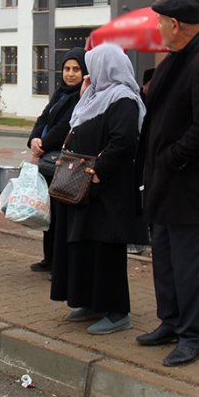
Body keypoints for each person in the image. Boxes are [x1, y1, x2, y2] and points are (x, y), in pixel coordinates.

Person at [137, 0, 199, 366]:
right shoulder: (175, 60)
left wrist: (173, 158)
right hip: (165, 182)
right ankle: (171, 322)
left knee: (190, 264)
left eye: (161, 22)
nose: (157, 28)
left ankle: (193, 336)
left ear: (175, 25)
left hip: (188, 184)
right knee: (166, 259)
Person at [49, 43, 143, 336]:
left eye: (92, 66)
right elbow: (75, 126)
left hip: (107, 192)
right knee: (85, 245)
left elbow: (123, 141)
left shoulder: (124, 99)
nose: (88, 73)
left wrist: (99, 173)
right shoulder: (94, 96)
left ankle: (117, 311)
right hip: (84, 190)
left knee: (105, 248)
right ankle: (92, 302)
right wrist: (85, 93)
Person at [27, 47, 87, 272]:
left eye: (76, 69)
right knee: (48, 214)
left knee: (63, 218)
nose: (71, 74)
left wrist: (41, 146)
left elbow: (65, 127)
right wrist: (33, 138)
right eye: (67, 69)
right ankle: (49, 258)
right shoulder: (59, 93)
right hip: (48, 163)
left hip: (65, 164)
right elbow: (43, 118)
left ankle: (62, 265)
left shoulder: (82, 97)